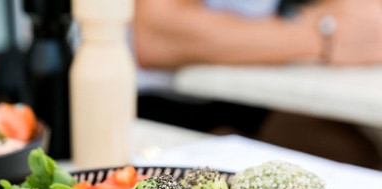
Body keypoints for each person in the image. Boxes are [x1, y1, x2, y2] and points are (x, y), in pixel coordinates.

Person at [132, 0, 382, 169]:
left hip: (248, 91)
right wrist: (322, 37)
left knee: (355, 154)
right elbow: (158, 36)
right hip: (151, 103)